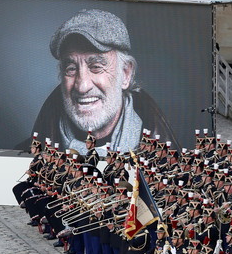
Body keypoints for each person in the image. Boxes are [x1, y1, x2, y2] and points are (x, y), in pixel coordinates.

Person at [31, 8, 176, 154]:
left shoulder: (169, 166)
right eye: (71, 69)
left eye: (96, 67)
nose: (82, 86)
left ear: (125, 74)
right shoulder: (23, 159)